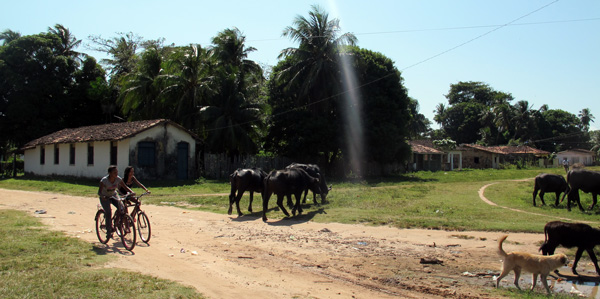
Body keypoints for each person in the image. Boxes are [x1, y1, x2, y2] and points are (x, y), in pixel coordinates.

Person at [98, 165, 134, 237]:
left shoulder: (118, 179)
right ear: (110, 173)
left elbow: (125, 187)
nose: (116, 174)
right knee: (108, 212)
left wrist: (131, 192)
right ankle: (109, 231)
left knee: (122, 208)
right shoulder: (104, 181)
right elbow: (99, 192)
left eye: (117, 172)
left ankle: (118, 223)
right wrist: (103, 196)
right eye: (114, 172)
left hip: (114, 195)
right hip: (105, 197)